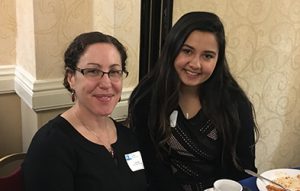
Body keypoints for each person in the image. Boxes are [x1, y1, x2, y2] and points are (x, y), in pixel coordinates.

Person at [127, 11, 259, 191]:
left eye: (207, 56)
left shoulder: (234, 102)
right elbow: (150, 167)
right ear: (172, 49)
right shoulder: (146, 98)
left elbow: (244, 168)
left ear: (218, 59)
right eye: (187, 51)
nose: (195, 64)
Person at [22, 31, 147, 191]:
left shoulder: (127, 136)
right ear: (71, 78)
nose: (106, 83)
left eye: (115, 72)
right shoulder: (50, 146)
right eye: (93, 71)